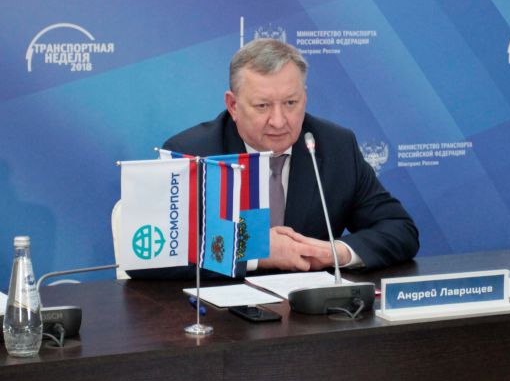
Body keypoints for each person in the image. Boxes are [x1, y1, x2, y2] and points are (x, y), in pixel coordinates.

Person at [133, 38, 419, 278]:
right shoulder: (191, 153)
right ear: (233, 105)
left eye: (291, 103)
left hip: (310, 316)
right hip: (218, 316)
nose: (279, 121)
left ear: (304, 98)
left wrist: (335, 252)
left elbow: (400, 229)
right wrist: (254, 251)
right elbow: (149, 257)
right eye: (263, 106)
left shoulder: (336, 147)